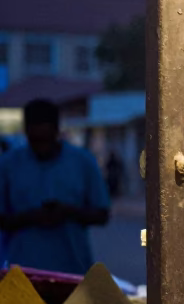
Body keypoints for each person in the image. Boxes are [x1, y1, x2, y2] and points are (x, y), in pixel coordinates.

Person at [0, 98, 110, 275]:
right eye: (35, 140)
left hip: (73, 270)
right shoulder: (8, 164)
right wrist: (31, 217)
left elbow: (102, 214)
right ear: (26, 132)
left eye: (46, 139)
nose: (41, 147)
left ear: (57, 131)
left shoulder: (83, 162)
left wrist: (68, 212)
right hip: (22, 274)